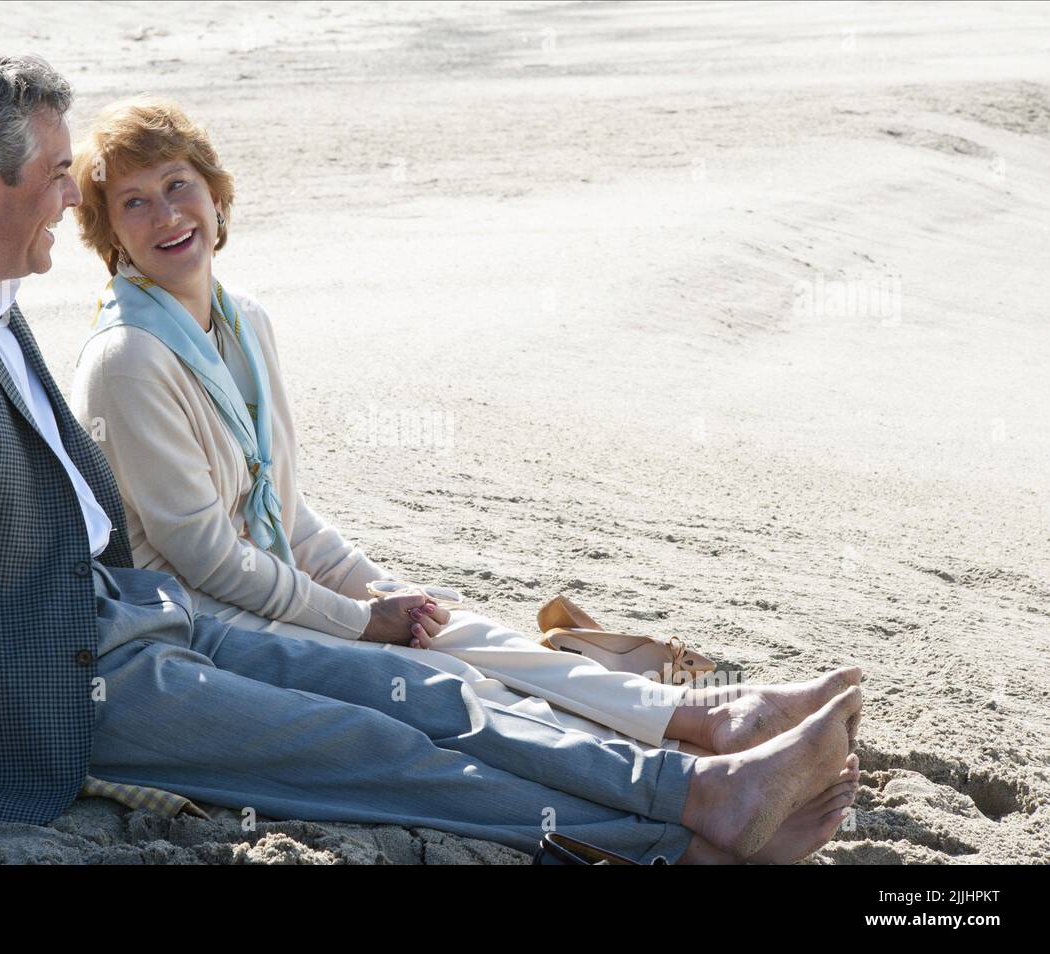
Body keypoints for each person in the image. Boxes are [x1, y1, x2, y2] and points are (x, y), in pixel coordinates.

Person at [0, 55, 861, 865]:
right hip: (51, 685)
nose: (70, 199)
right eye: (54, 176)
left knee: (415, 686)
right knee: (366, 746)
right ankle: (683, 835)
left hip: (127, 612)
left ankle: (691, 780)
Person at [68, 96, 863, 759]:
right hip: (195, 621)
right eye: (133, 202)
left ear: (215, 193)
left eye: (179, 185)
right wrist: (356, 621)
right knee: (450, 684)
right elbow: (205, 556)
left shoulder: (245, 324)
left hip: (263, 589)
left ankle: (718, 714)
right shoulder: (131, 360)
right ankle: (666, 752)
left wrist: (380, 592)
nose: (166, 215)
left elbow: (284, 509)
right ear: (111, 237)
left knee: (457, 627)